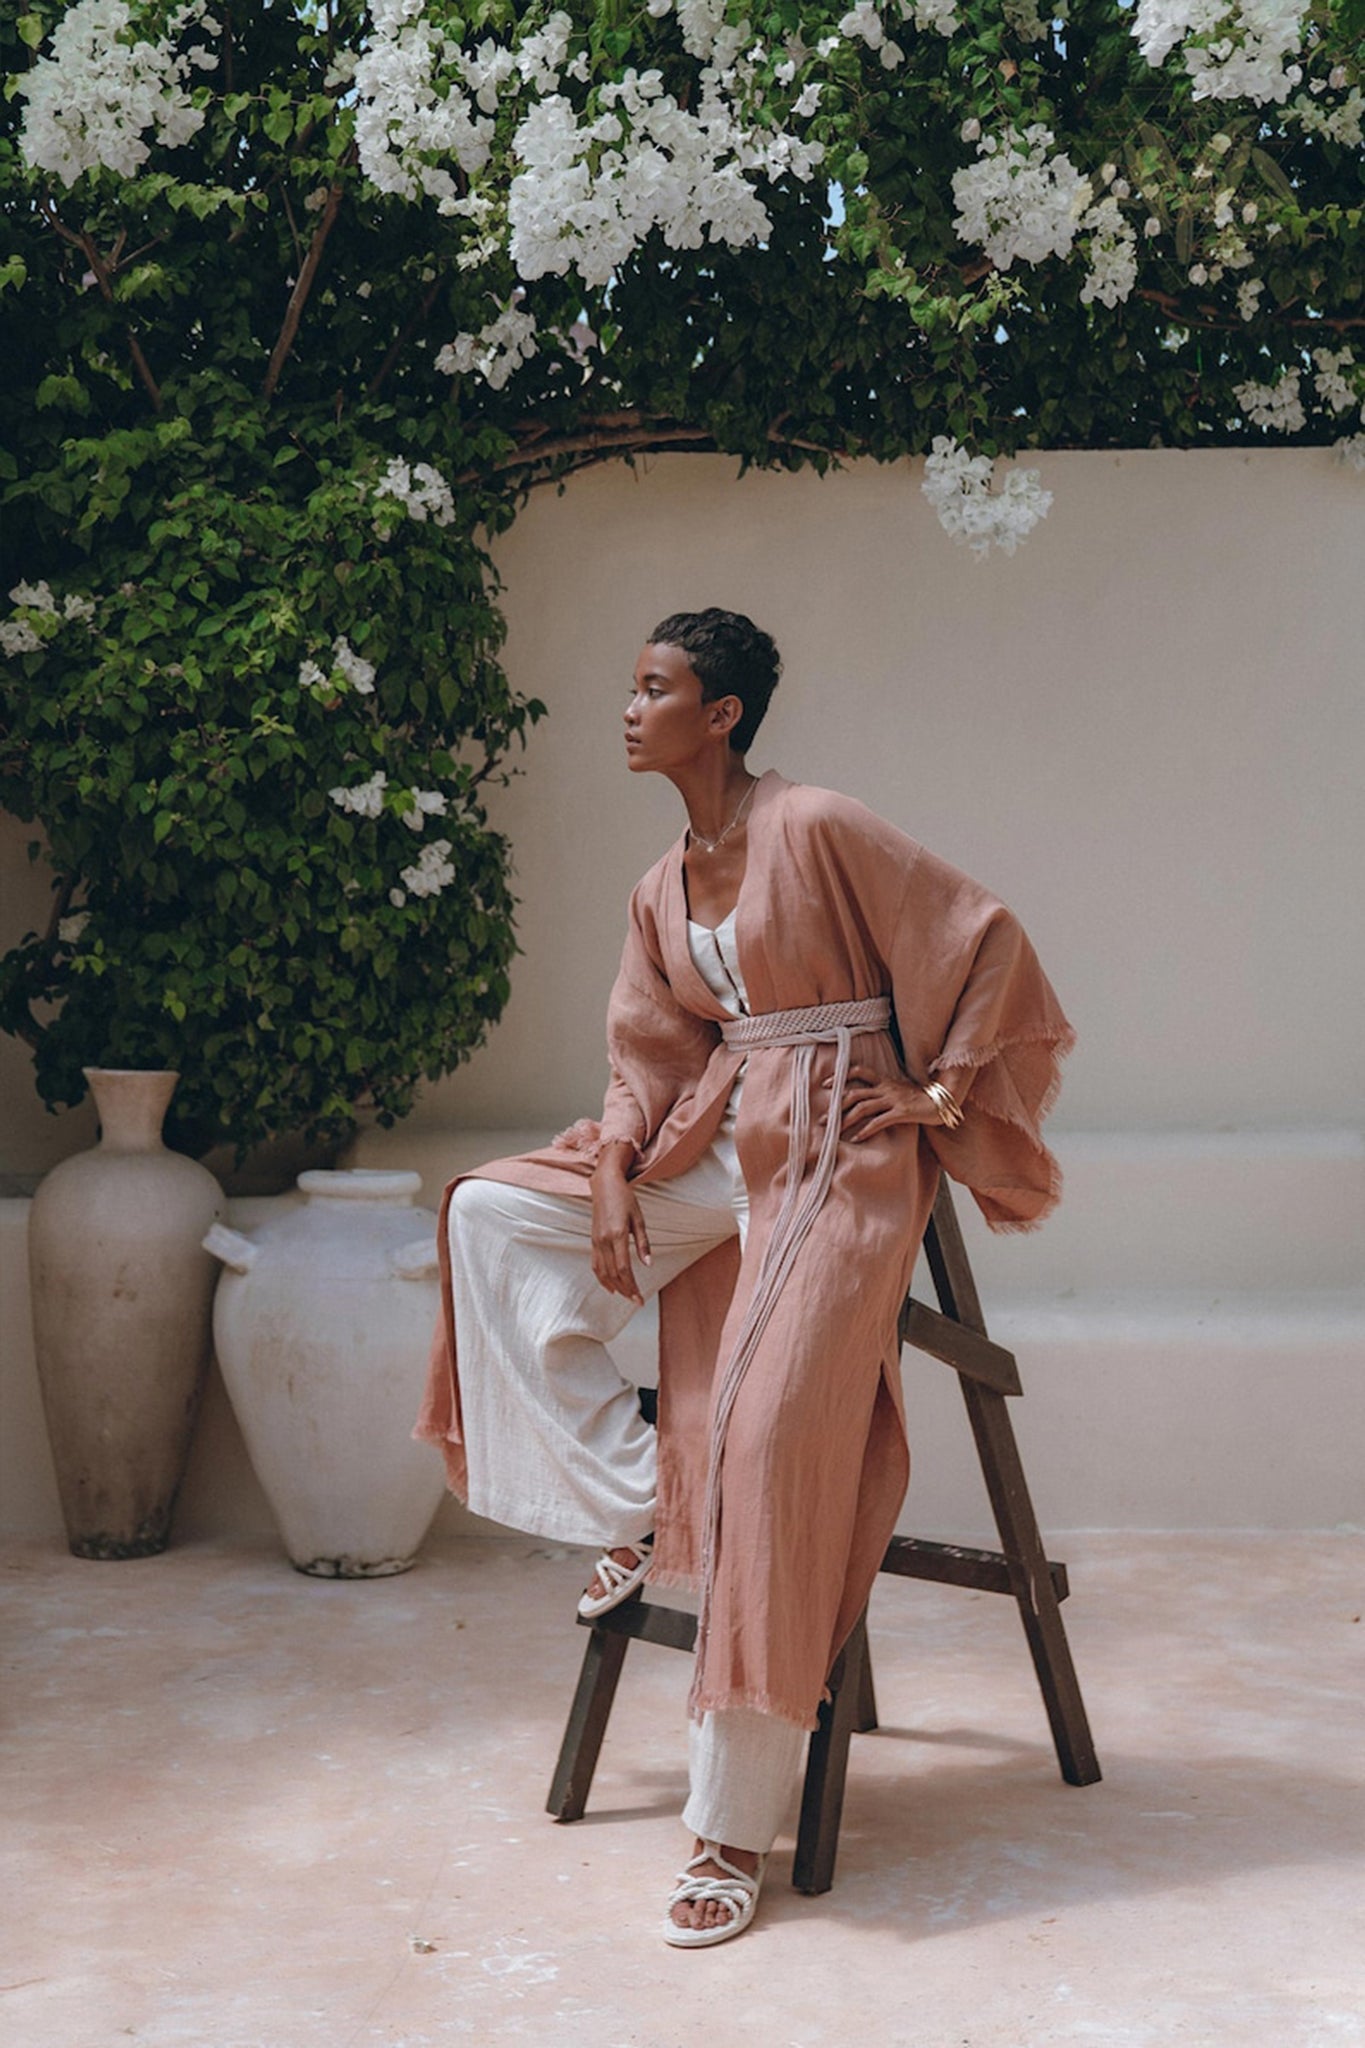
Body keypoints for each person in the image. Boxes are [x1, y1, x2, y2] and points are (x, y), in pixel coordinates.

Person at [416, 608, 1073, 1948]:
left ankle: (728, 1825)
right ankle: (638, 1499)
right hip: (708, 1145)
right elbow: (643, 1059)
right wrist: (607, 1172)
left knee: (768, 1442)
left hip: (836, 1150)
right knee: (488, 1213)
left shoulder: (816, 825)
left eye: (652, 688)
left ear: (718, 715)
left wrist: (939, 1091)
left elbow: (987, 937)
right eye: (631, 686)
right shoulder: (660, 884)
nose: (627, 706)